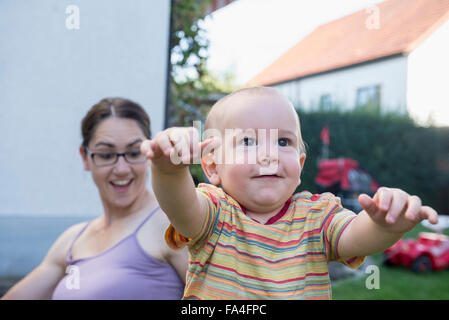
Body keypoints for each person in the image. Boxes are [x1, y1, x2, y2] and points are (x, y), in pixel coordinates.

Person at [140, 86, 439, 300]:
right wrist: (169, 171)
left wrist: (384, 226)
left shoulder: (316, 216)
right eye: (248, 141)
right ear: (213, 167)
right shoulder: (215, 215)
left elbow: (356, 236)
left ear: (299, 166)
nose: (268, 155)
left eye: (283, 142)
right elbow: (180, 206)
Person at [2, 98, 187, 300]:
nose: (122, 169)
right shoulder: (72, 240)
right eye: (106, 155)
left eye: (134, 153)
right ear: (85, 157)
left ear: (149, 153)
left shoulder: (171, 226)